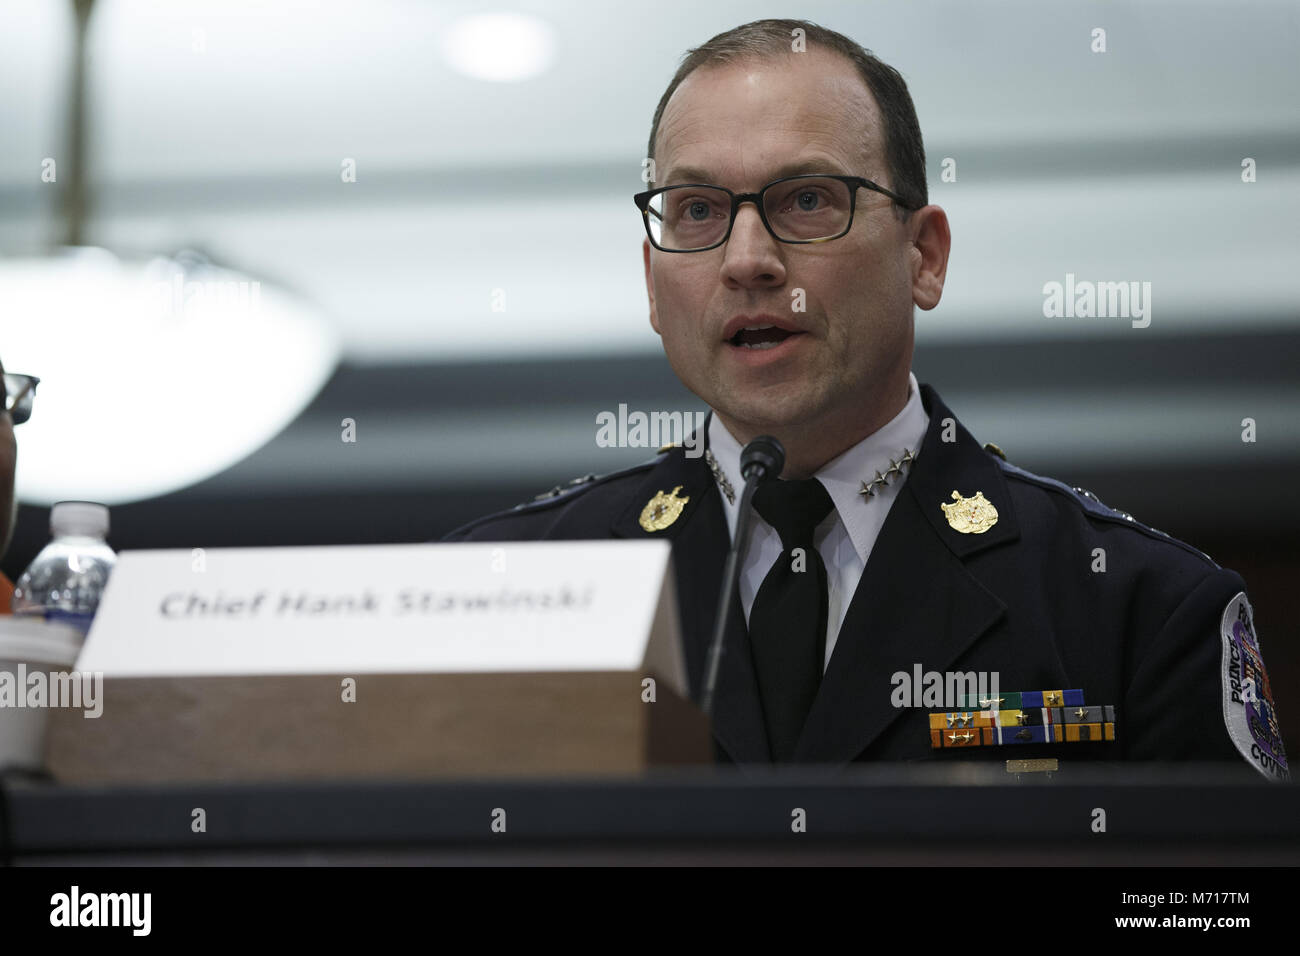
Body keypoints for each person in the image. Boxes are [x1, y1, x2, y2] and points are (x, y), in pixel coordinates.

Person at [446, 19, 1287, 779]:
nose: (747, 260)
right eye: (698, 210)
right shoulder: (507, 592)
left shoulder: (1138, 609)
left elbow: (1211, 912)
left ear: (923, 255)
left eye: (807, 200)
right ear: (653, 286)